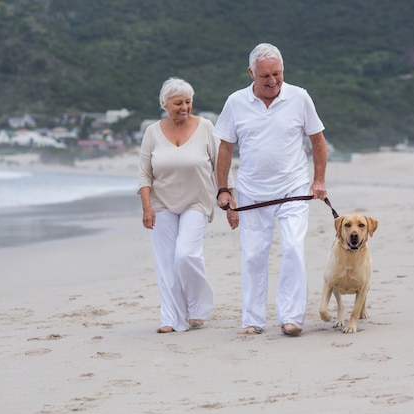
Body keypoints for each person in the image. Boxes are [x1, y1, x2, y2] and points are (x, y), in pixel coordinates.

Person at [214, 43, 328, 336]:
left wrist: (318, 181)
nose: (272, 81)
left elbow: (317, 141)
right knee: (253, 255)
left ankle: (292, 318)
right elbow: (225, 148)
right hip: (252, 191)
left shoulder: (299, 97)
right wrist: (223, 189)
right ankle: (252, 320)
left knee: (292, 248)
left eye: (276, 73)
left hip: (293, 187)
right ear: (251, 73)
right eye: (264, 75)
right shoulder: (235, 102)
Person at [138, 77, 237, 333]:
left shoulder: (205, 127)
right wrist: (147, 207)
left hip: (197, 202)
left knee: (185, 255)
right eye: (178, 103)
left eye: (188, 102)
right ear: (164, 104)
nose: (184, 107)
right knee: (166, 263)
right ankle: (171, 318)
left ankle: (198, 307)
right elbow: (144, 174)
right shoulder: (152, 132)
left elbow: (220, 164)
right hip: (161, 204)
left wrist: (229, 197)